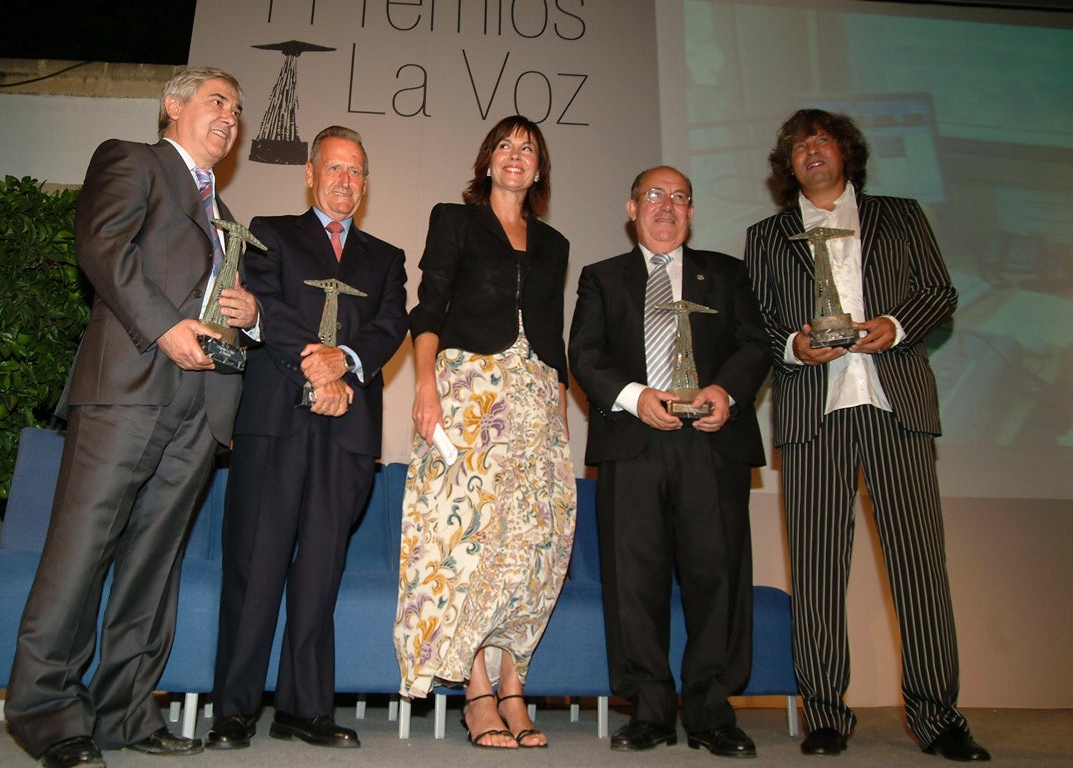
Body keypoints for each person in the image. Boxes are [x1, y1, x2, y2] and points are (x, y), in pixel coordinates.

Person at [5, 67, 260, 768]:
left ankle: (124, 712)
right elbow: (102, 249)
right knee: (80, 554)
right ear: (172, 106)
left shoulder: (227, 218)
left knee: (152, 567)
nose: (230, 118)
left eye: (237, 110)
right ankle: (46, 713)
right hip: (128, 389)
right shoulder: (133, 160)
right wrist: (166, 327)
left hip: (199, 410)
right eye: (217, 102)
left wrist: (249, 313)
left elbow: (223, 306)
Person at [744, 108, 990, 762]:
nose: (812, 152)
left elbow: (939, 291)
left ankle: (937, 716)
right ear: (787, 165)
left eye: (822, 140)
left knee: (919, 569)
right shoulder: (767, 236)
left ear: (846, 152)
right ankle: (825, 712)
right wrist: (794, 346)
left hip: (895, 409)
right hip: (812, 415)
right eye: (799, 146)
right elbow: (758, 324)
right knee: (818, 570)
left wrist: (897, 325)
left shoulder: (902, 215)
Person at [209, 126, 408, 751]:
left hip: (346, 429)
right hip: (276, 424)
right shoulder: (270, 233)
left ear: (366, 184)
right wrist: (316, 364)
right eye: (334, 168)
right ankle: (235, 709)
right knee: (256, 565)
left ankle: (304, 707)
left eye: (356, 171)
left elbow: (391, 324)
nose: (344, 181)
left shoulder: (386, 257)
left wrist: (344, 364)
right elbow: (263, 304)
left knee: (321, 574)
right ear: (310, 173)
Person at [568, 166, 770, 757]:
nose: (667, 206)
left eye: (680, 197)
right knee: (634, 584)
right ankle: (649, 710)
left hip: (712, 443)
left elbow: (754, 344)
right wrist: (635, 397)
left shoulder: (727, 273)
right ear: (631, 209)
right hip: (634, 444)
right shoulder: (602, 277)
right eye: (654, 196)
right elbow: (585, 352)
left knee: (719, 578)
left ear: (691, 212)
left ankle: (712, 710)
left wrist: (725, 395)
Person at [394, 115, 576, 750]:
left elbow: (553, 329)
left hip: (535, 397)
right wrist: (424, 386)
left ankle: (514, 684)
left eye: (528, 149)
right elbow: (431, 300)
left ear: (539, 167)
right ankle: (476, 691)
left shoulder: (554, 243)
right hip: (468, 390)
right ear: (487, 160)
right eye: (505, 146)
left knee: (530, 543)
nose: (515, 156)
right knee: (464, 534)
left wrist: (558, 406)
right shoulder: (455, 219)